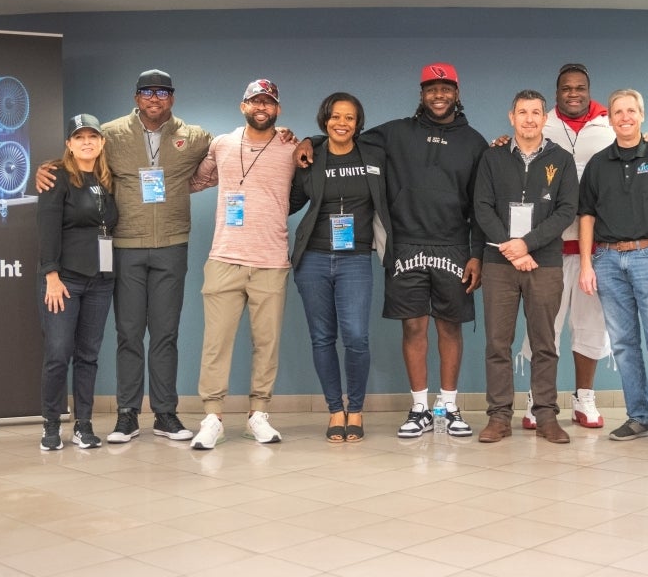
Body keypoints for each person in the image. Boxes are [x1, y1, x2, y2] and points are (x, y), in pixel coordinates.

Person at [296, 63, 486, 438]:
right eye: (431, 88)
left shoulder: (475, 142)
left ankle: (448, 406)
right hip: (405, 245)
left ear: (457, 93)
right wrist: (307, 140)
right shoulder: (396, 132)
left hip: (453, 245)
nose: (438, 94)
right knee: (414, 326)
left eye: (446, 87)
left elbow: (482, 205)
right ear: (421, 93)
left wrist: (476, 253)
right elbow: (344, 136)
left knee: (449, 327)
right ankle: (419, 408)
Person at [36, 69, 212, 444]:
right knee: (129, 334)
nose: (154, 98)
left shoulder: (193, 137)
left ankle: (165, 414)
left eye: (162, 92)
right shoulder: (111, 134)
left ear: (172, 98)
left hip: (171, 244)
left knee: (165, 333)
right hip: (124, 249)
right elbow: (78, 157)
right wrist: (44, 170)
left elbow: (235, 148)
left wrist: (288, 140)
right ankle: (127, 415)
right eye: (147, 91)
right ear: (136, 97)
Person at [578, 88, 648, 449]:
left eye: (631, 111)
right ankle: (639, 417)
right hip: (608, 260)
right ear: (609, 119)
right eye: (618, 112)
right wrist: (586, 263)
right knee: (624, 345)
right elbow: (586, 216)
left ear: (641, 115)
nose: (625, 117)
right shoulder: (598, 164)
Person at [188, 79, 296, 449]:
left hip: (271, 260)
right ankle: (212, 417)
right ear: (243, 106)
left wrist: (308, 139)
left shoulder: (290, 146)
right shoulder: (222, 144)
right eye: (255, 102)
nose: (261, 107)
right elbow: (194, 181)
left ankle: (258, 415)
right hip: (225, 258)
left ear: (277, 109)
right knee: (216, 344)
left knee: (266, 343)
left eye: (268, 102)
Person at [475, 90, 578, 444]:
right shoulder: (491, 157)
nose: (529, 118)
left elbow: (566, 211)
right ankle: (499, 417)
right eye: (523, 112)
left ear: (545, 117)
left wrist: (527, 245)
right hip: (498, 263)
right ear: (511, 117)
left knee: (544, 343)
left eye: (536, 112)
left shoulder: (562, 160)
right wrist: (512, 248)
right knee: (497, 343)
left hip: (544, 263)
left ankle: (546, 415)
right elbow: (482, 208)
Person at [289, 92, 391, 443]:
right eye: (335, 116)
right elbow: (289, 202)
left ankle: (356, 409)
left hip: (356, 258)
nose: (342, 123)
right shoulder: (312, 156)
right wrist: (305, 142)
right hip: (313, 258)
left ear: (358, 123)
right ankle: (335, 410)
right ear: (325, 119)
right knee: (322, 338)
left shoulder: (374, 155)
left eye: (349, 117)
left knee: (357, 338)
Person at [519, 63, 614, 431]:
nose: (573, 93)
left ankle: (584, 398)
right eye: (566, 88)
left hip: (595, 248)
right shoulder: (543, 123)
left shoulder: (608, 125)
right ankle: (537, 398)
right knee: (543, 327)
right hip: (547, 248)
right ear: (556, 92)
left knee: (590, 326)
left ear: (589, 89)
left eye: (580, 87)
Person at [37, 114, 119, 450]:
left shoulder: (108, 180)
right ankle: (51, 424)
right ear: (69, 145)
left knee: (89, 355)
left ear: (101, 143)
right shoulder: (56, 177)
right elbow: (46, 228)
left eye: (93, 137)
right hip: (64, 281)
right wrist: (51, 277)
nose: (87, 142)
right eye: (79, 137)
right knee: (58, 353)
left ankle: (83, 425)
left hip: (101, 281)